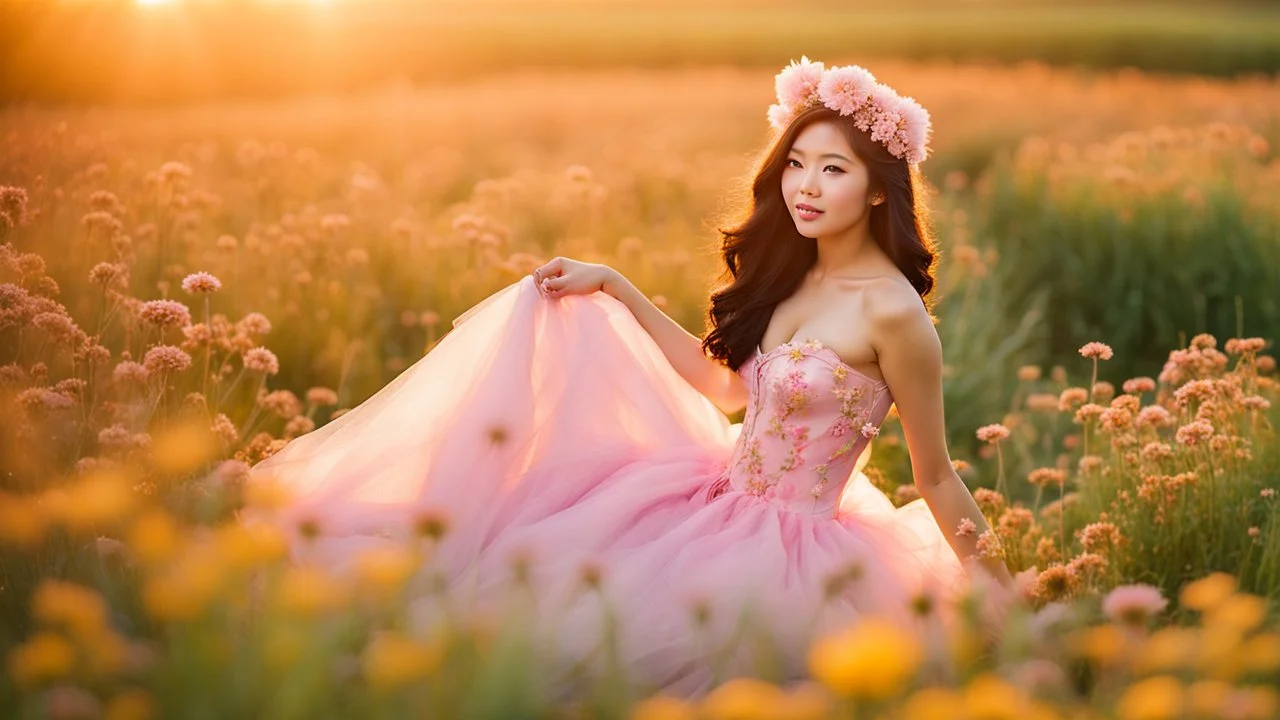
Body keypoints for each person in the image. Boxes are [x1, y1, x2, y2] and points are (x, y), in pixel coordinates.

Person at [246, 57, 1015, 697]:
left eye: (833, 170)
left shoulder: (895, 318)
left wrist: (1002, 595)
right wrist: (613, 285)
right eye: (797, 165)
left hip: (798, 548)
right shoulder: (795, 278)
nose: (805, 187)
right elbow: (725, 390)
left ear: (879, 187)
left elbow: (938, 476)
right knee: (538, 603)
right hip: (710, 505)